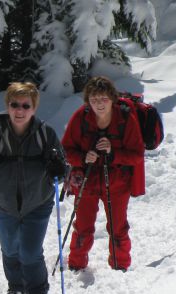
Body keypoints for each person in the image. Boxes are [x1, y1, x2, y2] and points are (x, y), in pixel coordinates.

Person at [0, 82, 67, 294]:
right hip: (2, 205)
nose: (20, 110)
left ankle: (38, 290)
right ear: (8, 106)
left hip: (37, 204)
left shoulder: (46, 134)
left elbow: (62, 172)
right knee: (10, 250)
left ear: (34, 107)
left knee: (31, 252)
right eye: (15, 105)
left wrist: (59, 169)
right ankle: (16, 287)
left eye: (26, 105)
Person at [61, 76, 145, 272]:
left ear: (112, 99)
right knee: (82, 226)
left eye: (104, 99)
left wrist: (113, 153)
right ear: (88, 100)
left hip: (116, 182)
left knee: (118, 228)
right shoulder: (81, 117)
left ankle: (120, 266)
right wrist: (83, 158)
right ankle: (76, 265)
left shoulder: (125, 119)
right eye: (94, 99)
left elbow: (136, 155)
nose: (99, 104)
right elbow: (66, 150)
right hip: (87, 180)